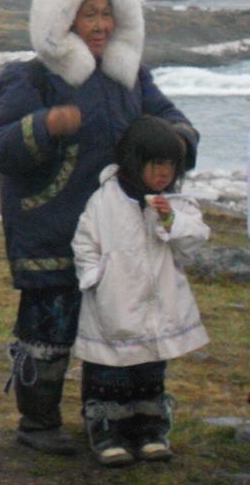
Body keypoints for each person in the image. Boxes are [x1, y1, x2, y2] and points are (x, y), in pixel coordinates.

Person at [0, 0, 199, 456]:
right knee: (49, 330)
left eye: (107, 13)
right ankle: (37, 424)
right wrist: (46, 126)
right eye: (89, 14)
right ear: (61, 19)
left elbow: (174, 123)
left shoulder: (131, 77)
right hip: (50, 227)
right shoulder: (28, 79)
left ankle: (121, 421)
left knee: (121, 325)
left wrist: (175, 141)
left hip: (122, 236)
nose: (101, 25)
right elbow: (1, 149)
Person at [71, 114, 209, 466]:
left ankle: (149, 431)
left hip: (157, 307)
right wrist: (94, 277)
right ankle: (107, 432)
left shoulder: (174, 202)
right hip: (113, 303)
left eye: (171, 166)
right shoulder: (104, 201)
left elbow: (193, 241)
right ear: (135, 162)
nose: (163, 174)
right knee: (109, 372)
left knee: (149, 372)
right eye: (156, 165)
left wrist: (169, 221)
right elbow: (85, 241)